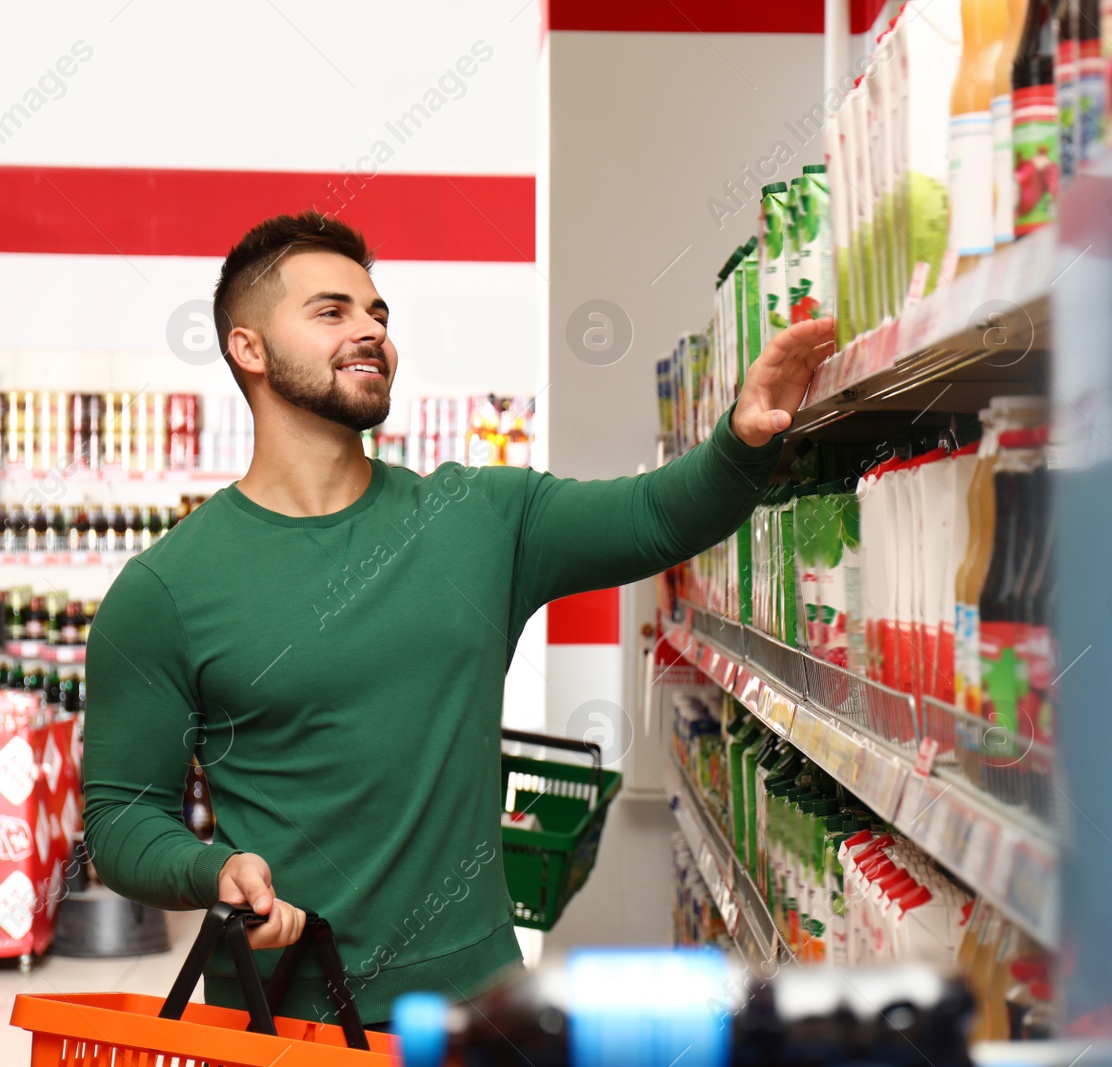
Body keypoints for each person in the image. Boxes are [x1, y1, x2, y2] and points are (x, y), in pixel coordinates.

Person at [82, 211, 834, 1025]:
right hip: (274, 1026)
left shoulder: (479, 517)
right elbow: (121, 814)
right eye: (331, 312)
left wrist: (744, 437)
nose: (369, 331)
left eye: (378, 314)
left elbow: (655, 514)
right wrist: (211, 870)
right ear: (249, 348)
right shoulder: (165, 589)